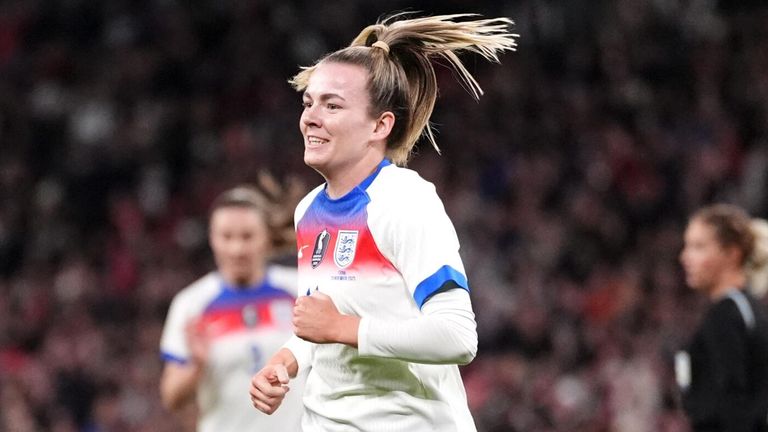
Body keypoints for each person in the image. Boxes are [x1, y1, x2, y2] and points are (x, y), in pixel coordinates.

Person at [248, 13, 518, 431]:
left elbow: (457, 336)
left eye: (332, 105)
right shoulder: (308, 211)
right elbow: (321, 324)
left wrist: (342, 328)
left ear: (380, 125)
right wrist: (287, 361)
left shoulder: (404, 201)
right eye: (309, 102)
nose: (310, 117)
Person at [159, 184, 305, 431]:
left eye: (247, 236)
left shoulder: (298, 289)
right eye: (226, 236)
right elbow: (171, 397)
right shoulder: (191, 304)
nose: (237, 249)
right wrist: (196, 364)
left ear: (266, 238)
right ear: (212, 238)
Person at [677, 203, 768, 432]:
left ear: (732, 254)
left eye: (699, 247)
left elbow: (732, 405)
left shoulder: (727, 316)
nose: (685, 257)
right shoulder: (746, 307)